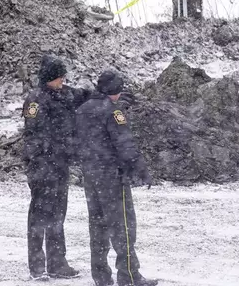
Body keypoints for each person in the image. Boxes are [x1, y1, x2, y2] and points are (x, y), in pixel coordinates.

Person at [75, 70, 158, 286]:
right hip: (111, 176)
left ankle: (100, 276)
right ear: (115, 91)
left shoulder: (82, 110)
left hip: (91, 176)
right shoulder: (113, 112)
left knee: (97, 225)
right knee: (123, 227)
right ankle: (129, 275)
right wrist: (141, 169)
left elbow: (78, 140)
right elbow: (125, 144)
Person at [21, 54, 91, 281]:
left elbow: (84, 95)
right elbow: (35, 135)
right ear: (49, 78)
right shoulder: (35, 100)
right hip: (42, 166)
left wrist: (104, 92)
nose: (63, 80)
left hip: (59, 165)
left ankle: (58, 264)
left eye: (64, 76)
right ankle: (37, 267)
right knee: (39, 217)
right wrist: (47, 156)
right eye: (59, 77)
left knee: (58, 216)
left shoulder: (65, 93)